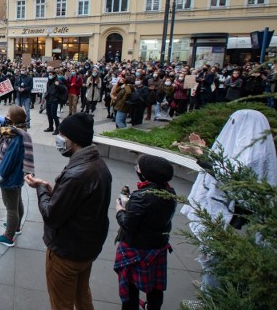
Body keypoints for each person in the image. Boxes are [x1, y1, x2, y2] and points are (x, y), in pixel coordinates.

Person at [179, 109, 277, 292]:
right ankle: (212, 283)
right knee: (215, 257)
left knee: (220, 257)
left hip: (235, 219)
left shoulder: (255, 155)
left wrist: (202, 155)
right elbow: (226, 166)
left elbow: (230, 174)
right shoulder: (252, 150)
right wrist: (203, 152)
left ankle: (213, 295)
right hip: (230, 215)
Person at [25, 113, 112, 310]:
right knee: (82, 297)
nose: (59, 139)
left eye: (63, 135)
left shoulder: (76, 174)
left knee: (61, 303)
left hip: (66, 252)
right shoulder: (98, 165)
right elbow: (80, 203)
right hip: (86, 248)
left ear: (74, 140)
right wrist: (49, 188)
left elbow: (51, 216)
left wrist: (40, 189)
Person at [114, 155, 176, 310]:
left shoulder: (141, 197)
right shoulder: (170, 192)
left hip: (136, 249)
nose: (137, 169)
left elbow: (128, 224)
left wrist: (120, 210)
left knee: (130, 287)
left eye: (139, 167)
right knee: (156, 287)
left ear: (147, 174)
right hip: (157, 247)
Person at [0, 106, 34, 247]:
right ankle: (16, 226)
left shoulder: (16, 139)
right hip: (17, 176)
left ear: (13, 120)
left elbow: (8, 160)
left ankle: (8, 236)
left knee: (11, 207)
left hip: (10, 177)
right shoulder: (17, 132)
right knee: (17, 201)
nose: (5, 116)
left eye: (8, 115)